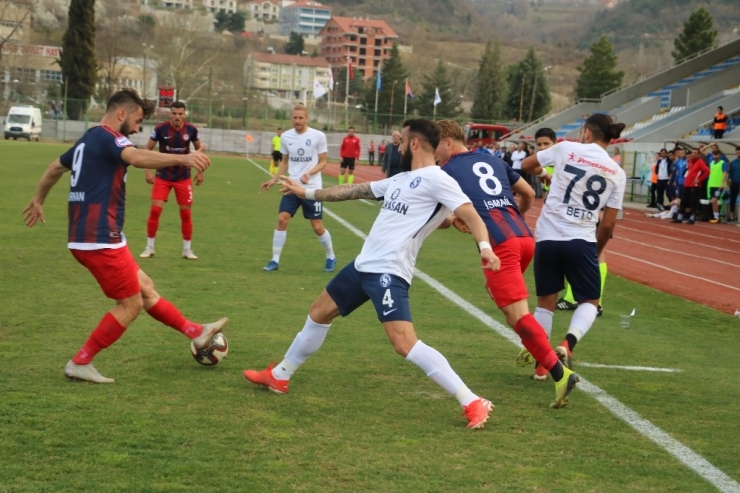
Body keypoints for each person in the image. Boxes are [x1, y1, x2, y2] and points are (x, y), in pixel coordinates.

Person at [244, 119, 502, 429]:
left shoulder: (437, 178)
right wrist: (307, 194)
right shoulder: (400, 179)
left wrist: (485, 247)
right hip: (364, 265)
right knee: (318, 313)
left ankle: (472, 400)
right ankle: (280, 375)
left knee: (404, 343)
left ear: (415, 144)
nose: (398, 145)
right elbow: (353, 190)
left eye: (402, 140)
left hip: (389, 271)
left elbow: (471, 214)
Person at [22, 89, 227, 383]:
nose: (136, 128)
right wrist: (183, 159)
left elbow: (55, 167)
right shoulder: (110, 137)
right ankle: (80, 361)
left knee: (145, 288)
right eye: (136, 120)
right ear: (121, 113)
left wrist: (39, 198)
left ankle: (196, 331)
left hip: (91, 237)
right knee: (130, 305)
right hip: (100, 238)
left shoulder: (87, 138)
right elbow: (137, 157)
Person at [434, 120, 578, 403]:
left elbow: (437, 219)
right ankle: (539, 349)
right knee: (513, 309)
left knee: (517, 316)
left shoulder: (446, 170)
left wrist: (452, 220)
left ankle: (559, 372)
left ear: (448, 142)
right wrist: (516, 217)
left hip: (501, 247)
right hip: (524, 238)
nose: (433, 152)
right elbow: (528, 193)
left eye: (435, 144)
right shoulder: (491, 158)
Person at [521, 113, 626, 372]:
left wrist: (545, 172)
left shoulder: (566, 148)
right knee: (590, 301)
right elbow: (609, 224)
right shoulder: (617, 172)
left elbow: (526, 165)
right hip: (581, 239)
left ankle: (542, 367)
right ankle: (568, 344)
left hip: (547, 237)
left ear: (587, 133)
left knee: (545, 303)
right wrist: (596, 250)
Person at [260, 104, 336, 273]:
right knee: (282, 219)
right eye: (295, 117)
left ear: (307, 118)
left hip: (312, 188)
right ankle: (274, 260)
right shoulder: (286, 137)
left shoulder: (318, 136)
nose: (297, 121)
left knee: (317, 226)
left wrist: (309, 173)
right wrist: (274, 178)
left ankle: (331, 256)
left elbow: (323, 161)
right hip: (292, 186)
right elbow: (285, 161)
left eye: (301, 118)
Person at [140, 101, 203, 260]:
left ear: (184, 114)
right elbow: (147, 151)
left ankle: (187, 250)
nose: (177, 117)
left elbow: (199, 151)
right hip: (163, 176)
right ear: (170, 113)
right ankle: (149, 247)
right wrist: (147, 170)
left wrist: (200, 171)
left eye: (180, 114)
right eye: (174, 113)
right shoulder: (160, 129)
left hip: (183, 177)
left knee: (186, 214)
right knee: (155, 210)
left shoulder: (191, 130)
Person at [677, 148, 710, 225]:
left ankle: (692, 217)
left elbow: (707, 171)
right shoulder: (690, 161)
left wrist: (700, 179)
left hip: (694, 186)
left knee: (693, 202)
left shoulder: (700, 161)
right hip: (687, 184)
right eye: (692, 153)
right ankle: (680, 217)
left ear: (699, 154)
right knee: (684, 201)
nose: (693, 154)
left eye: (695, 153)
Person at [705, 149, 728, 223]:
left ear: (719, 155)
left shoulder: (723, 163)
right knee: (712, 201)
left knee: (715, 200)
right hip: (712, 184)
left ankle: (717, 217)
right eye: (714, 155)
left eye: (717, 155)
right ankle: (715, 216)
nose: (715, 156)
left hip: (719, 186)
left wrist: (722, 183)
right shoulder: (711, 163)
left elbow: (725, 174)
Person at [728, 148, 740, 223]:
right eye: (737, 152)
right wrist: (729, 178)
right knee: (733, 199)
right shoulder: (733, 162)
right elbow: (730, 172)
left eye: (739, 152)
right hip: (734, 183)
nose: (738, 154)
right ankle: (732, 215)